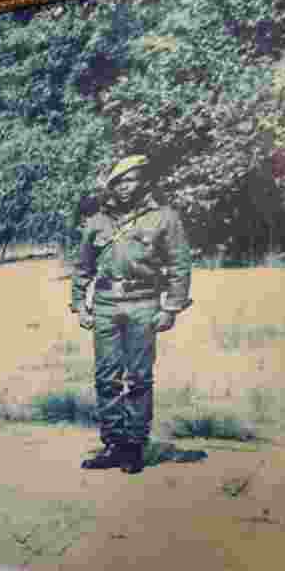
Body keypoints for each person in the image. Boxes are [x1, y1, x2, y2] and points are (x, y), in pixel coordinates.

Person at [71, 155, 192, 475]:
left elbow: (180, 265)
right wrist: (80, 305)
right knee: (106, 378)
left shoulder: (165, 218)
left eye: (131, 180)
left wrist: (171, 307)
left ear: (143, 182)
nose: (125, 187)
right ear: (112, 186)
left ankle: (135, 446)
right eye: (119, 182)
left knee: (139, 378)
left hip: (144, 303)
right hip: (107, 304)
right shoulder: (97, 222)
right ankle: (114, 444)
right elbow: (83, 268)